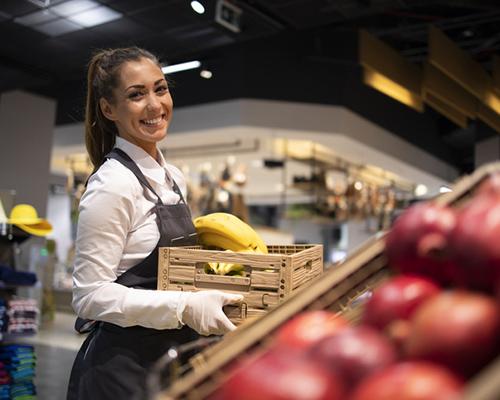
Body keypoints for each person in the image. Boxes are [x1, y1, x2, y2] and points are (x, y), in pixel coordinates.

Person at [67, 47, 242, 400]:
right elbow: (89, 296)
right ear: (108, 109)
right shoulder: (113, 184)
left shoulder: (173, 177)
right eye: (136, 95)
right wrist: (184, 307)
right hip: (121, 373)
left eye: (160, 89)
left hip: (171, 362)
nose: (154, 105)